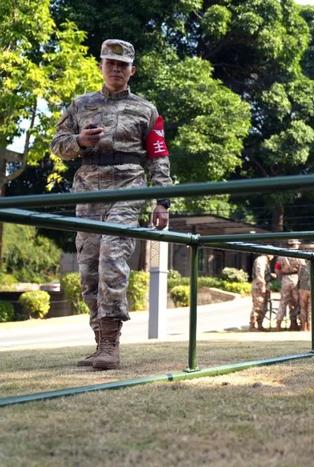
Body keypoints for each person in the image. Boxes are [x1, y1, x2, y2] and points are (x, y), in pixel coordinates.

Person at [51, 39, 172, 370]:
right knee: (88, 269)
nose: (116, 69)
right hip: (88, 190)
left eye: (122, 64)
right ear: (101, 66)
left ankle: (110, 343)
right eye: (110, 63)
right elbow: (57, 145)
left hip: (128, 187)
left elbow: (159, 157)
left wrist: (162, 201)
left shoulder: (147, 110)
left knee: (112, 259)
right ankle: (98, 342)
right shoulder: (80, 105)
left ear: (132, 70)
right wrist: (79, 141)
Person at [275, 239, 302, 331]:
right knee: (296, 303)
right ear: (296, 245)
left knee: (283, 302)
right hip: (296, 278)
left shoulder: (281, 256)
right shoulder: (300, 255)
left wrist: (281, 276)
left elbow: (277, 269)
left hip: (285, 279)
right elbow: (303, 269)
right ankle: (294, 324)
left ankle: (278, 324)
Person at [250, 255, 274, 331]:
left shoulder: (266, 261)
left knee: (264, 307)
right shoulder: (261, 260)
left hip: (265, 285)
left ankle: (260, 325)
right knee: (258, 306)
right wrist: (262, 286)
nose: (273, 257)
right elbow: (259, 274)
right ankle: (253, 325)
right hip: (259, 285)